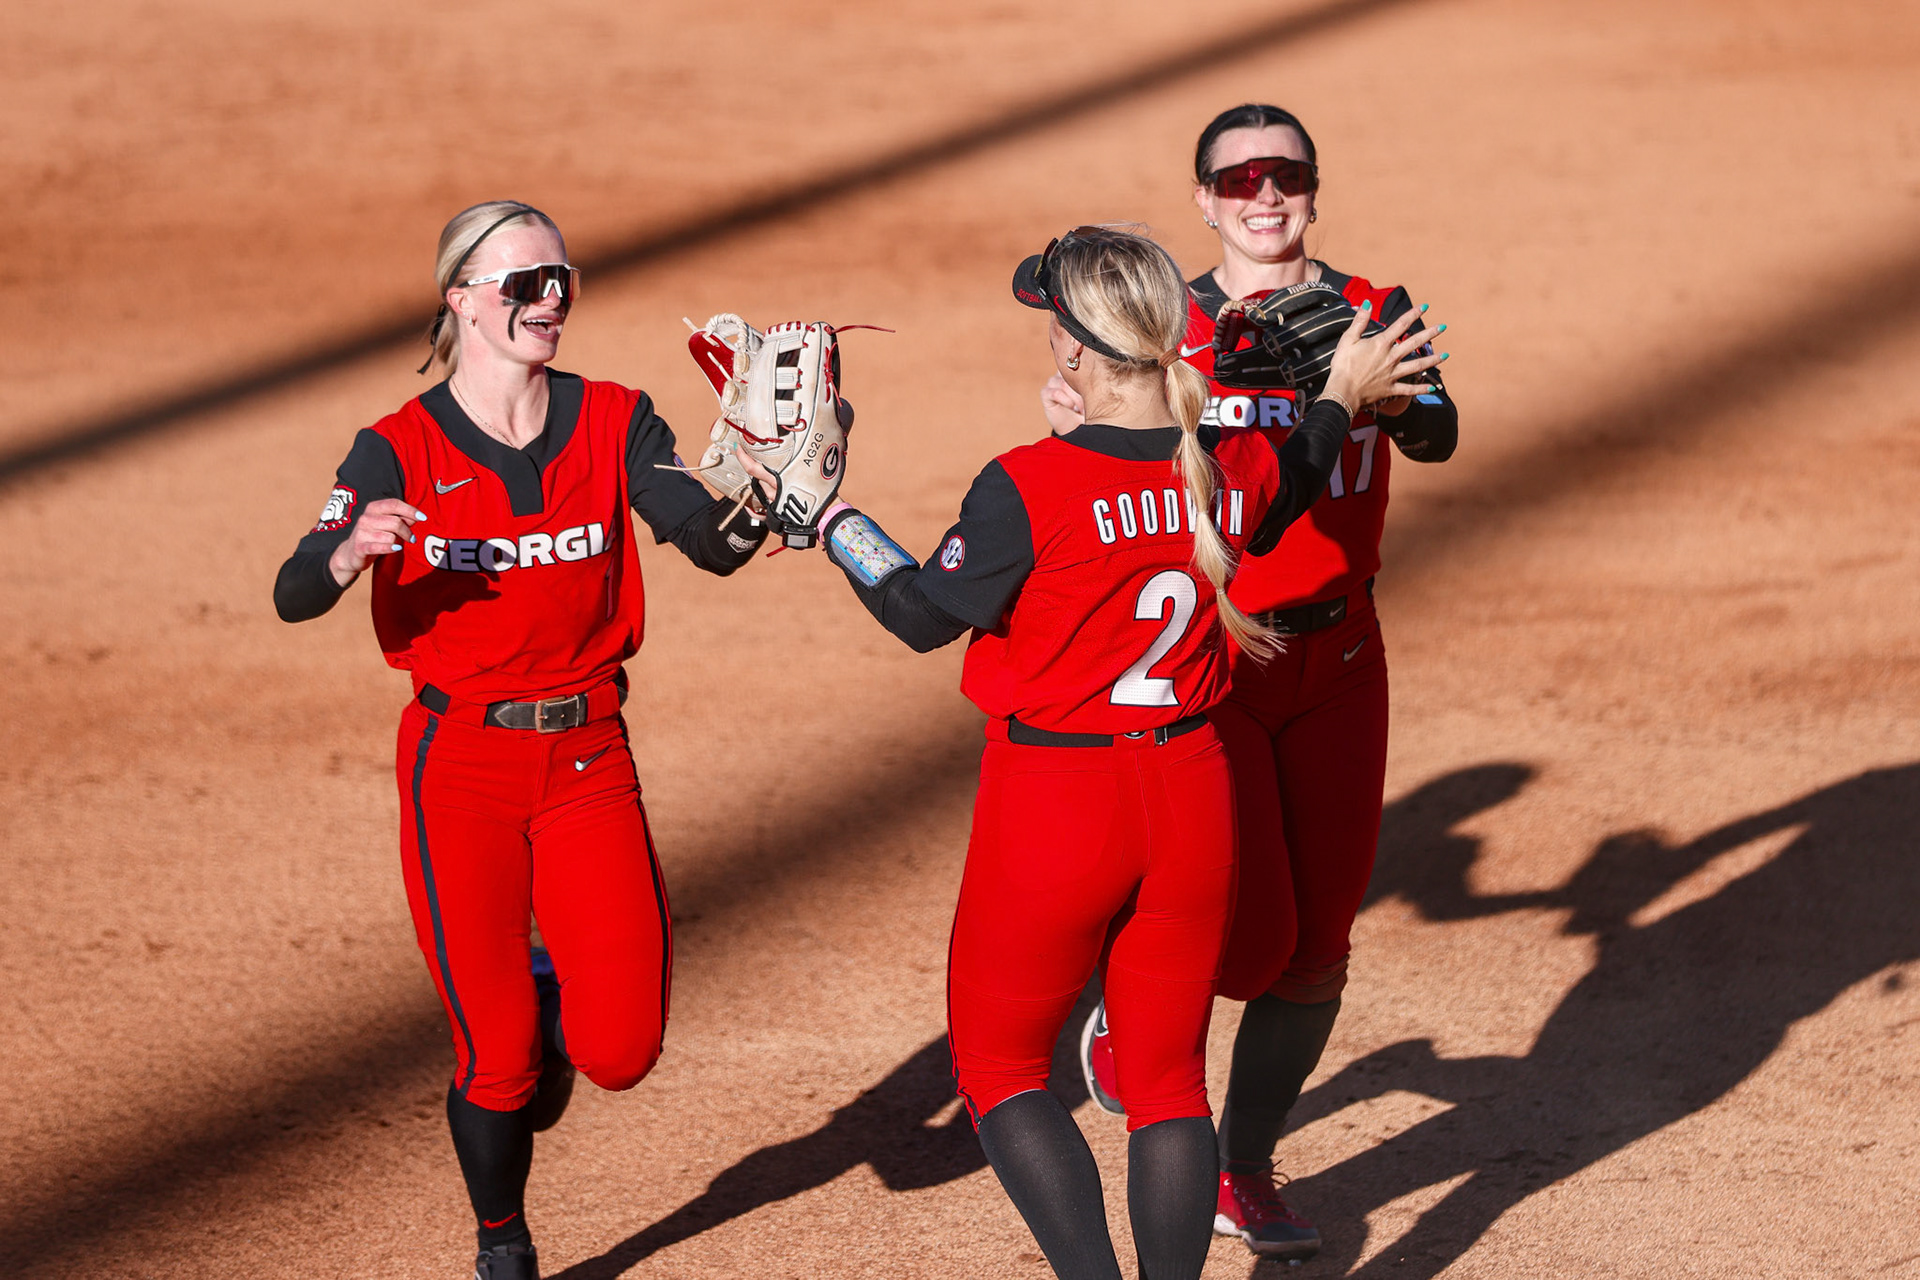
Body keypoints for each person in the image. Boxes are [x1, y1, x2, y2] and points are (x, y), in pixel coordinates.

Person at [772, 225, 1440, 1280]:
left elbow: (919, 613)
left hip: (1058, 801)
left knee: (999, 1066)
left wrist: (830, 514)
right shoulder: (1219, 468)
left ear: (1076, 352)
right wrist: (1340, 391)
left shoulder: (1026, 483)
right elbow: (1303, 465)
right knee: (1170, 1083)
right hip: (1190, 793)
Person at [273, 201, 774, 1280]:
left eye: (561, 281)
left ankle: (549, 993)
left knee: (621, 1050)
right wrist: (350, 546)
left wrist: (759, 510)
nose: (548, 301)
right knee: (495, 1058)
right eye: (520, 284)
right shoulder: (395, 447)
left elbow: (701, 533)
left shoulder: (618, 418)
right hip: (459, 771)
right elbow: (291, 590)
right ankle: (503, 1241)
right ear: (460, 297)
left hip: (589, 756)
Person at [1064, 105, 1461, 1262]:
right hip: (1219, 658)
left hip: (1341, 661)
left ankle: (1243, 1161)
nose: (1264, 193)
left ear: (1313, 188)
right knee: (1246, 942)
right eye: (1238, 177)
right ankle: (1122, 1004)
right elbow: (1105, 453)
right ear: (1204, 198)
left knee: (1319, 947)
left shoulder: (1371, 309)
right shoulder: (1168, 323)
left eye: (1285, 172)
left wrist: (1364, 381)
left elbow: (1437, 433)